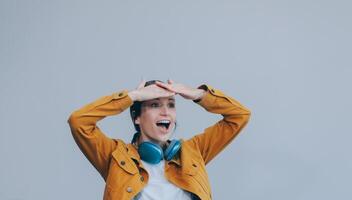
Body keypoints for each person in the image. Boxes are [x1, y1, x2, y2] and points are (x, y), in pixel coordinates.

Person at [67, 79, 251, 200]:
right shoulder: (114, 155)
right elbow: (79, 121)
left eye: (170, 105)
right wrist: (133, 96)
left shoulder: (194, 151)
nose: (165, 112)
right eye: (155, 104)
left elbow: (239, 116)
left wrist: (199, 94)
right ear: (136, 117)